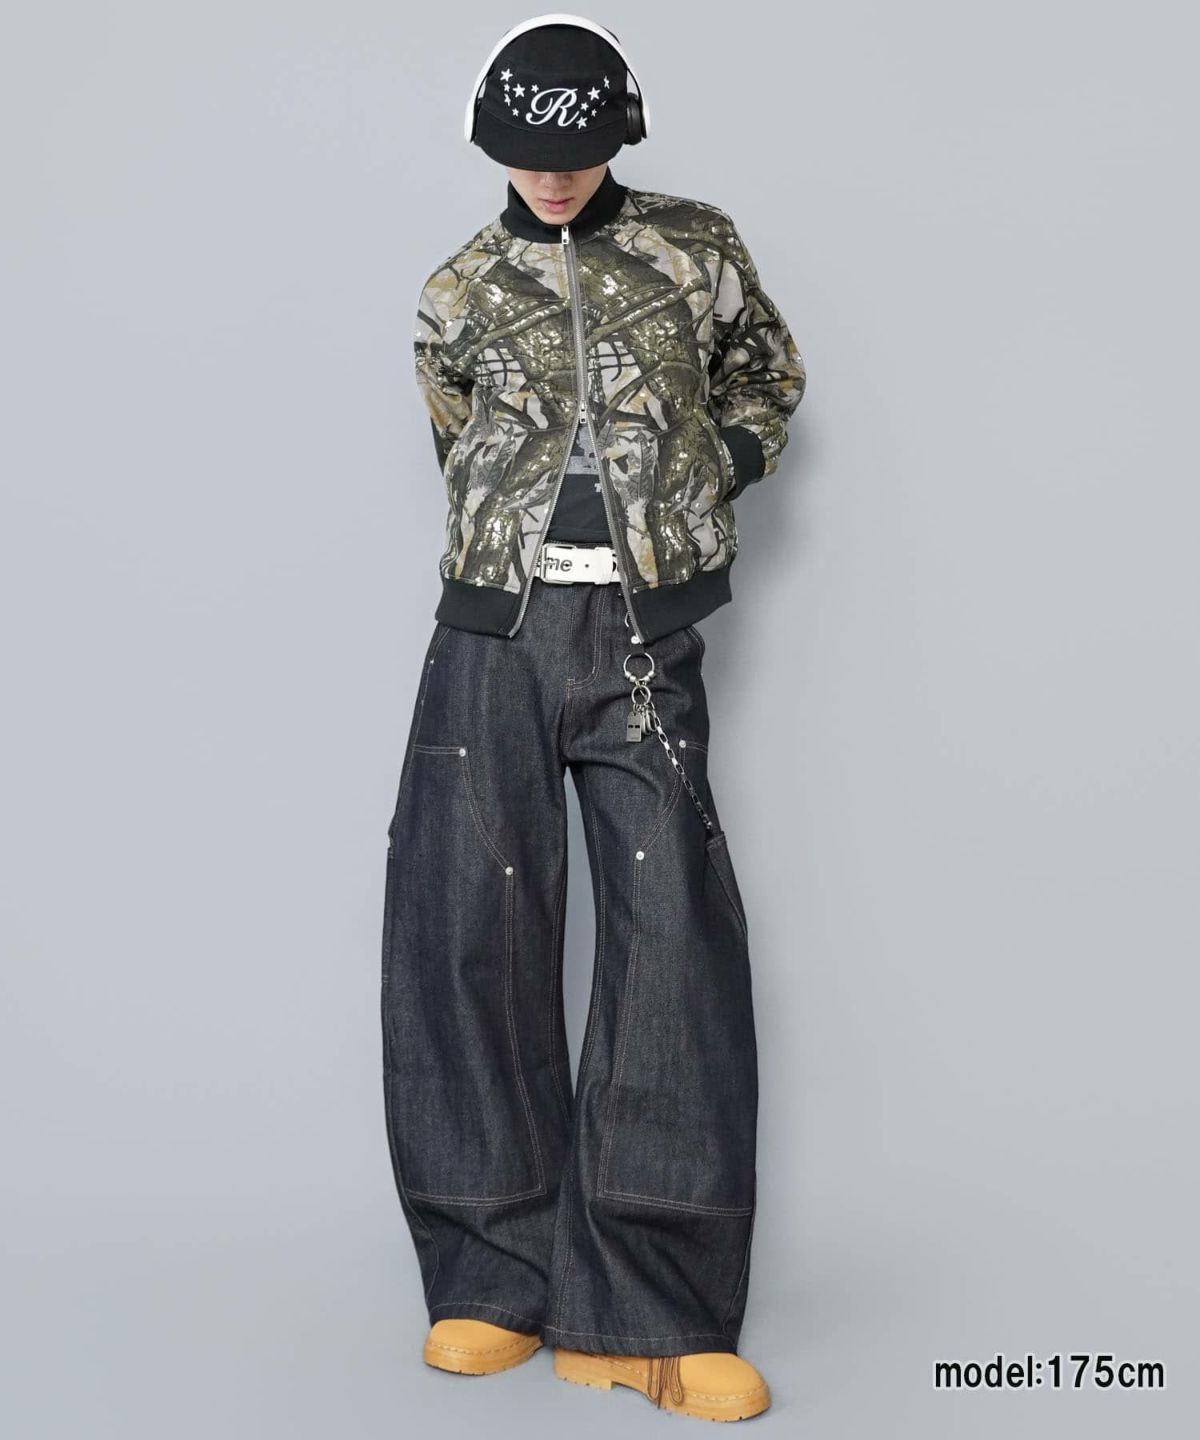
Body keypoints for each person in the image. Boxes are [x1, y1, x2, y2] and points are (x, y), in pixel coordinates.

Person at [381, 13, 806, 1422]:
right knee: (465, 931)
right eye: (524, 153)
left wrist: (709, 466)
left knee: (669, 934)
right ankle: (490, 1280)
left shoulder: (694, 247)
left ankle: (648, 1310)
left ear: (621, 132)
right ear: (488, 143)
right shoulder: (459, 286)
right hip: (491, 631)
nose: (552, 177)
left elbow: (768, 374)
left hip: (641, 628)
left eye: (573, 151)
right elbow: (454, 433)